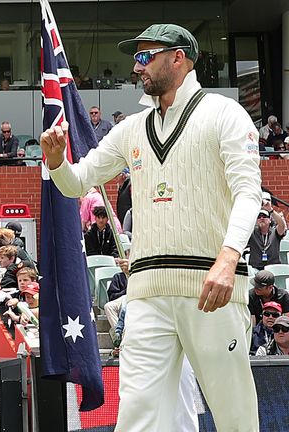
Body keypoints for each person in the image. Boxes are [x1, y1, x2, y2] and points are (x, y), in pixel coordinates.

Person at [39, 24, 261, 430]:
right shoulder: (130, 128)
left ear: (178, 57)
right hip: (147, 292)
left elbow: (250, 193)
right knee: (137, 415)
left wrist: (228, 259)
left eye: (145, 56)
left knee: (234, 414)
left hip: (210, 287)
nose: (136, 66)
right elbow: (75, 182)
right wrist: (56, 161)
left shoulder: (225, 113)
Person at [246, 193, 286, 270]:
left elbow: (282, 225)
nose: (261, 218)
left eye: (264, 216)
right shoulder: (252, 232)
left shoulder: (275, 232)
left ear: (270, 220)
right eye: (259, 216)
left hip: (274, 267)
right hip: (256, 268)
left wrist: (270, 210)